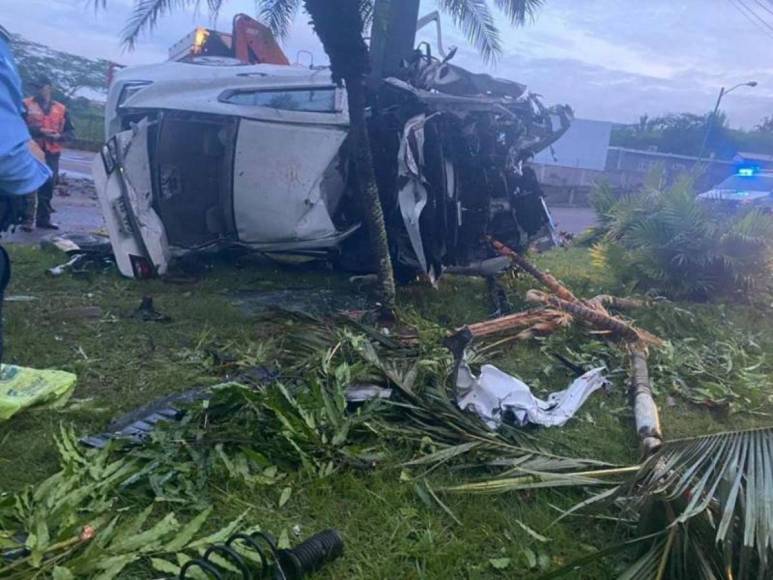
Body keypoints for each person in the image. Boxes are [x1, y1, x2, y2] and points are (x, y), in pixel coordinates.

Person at [0, 24, 52, 360]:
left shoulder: (59, 108)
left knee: (40, 196)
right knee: (35, 189)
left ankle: (36, 219)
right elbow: (5, 154)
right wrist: (35, 161)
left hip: (50, 147)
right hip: (31, 154)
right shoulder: (29, 103)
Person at [22, 76, 75, 230]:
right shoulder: (26, 104)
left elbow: (70, 132)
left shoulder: (61, 109)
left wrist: (60, 136)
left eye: (40, 86)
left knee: (48, 186)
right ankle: (26, 220)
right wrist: (39, 131)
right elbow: (17, 126)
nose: (37, 90)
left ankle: (43, 220)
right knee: (30, 185)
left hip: (52, 152)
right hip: (31, 150)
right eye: (35, 87)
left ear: (49, 88)